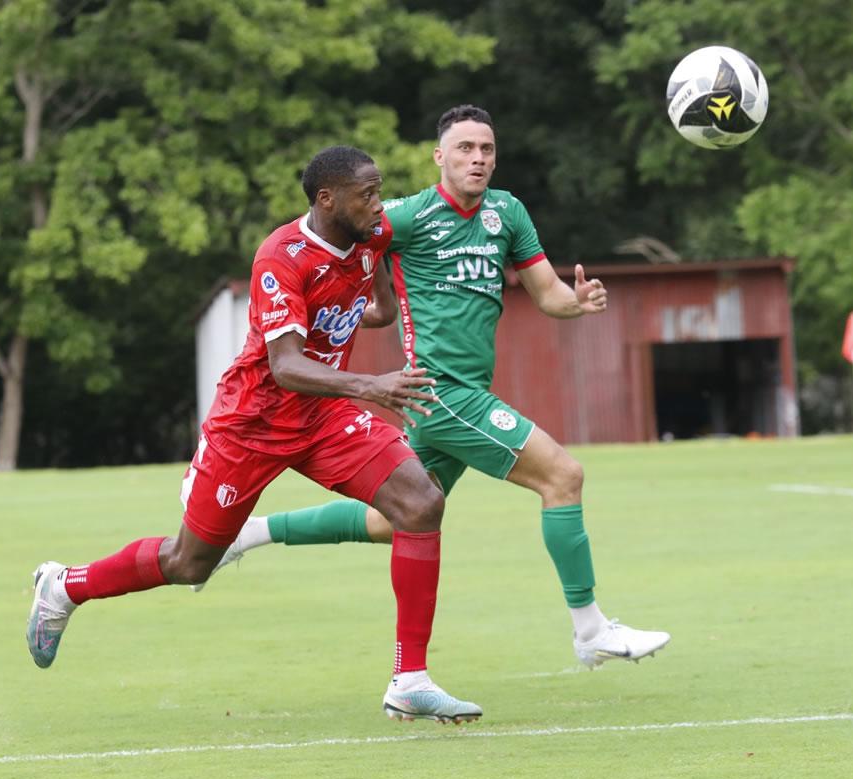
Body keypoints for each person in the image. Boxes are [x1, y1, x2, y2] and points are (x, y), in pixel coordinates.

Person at [196, 106, 671, 669]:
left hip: (458, 393)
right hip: (441, 392)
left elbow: (547, 295)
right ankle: (590, 630)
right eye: (465, 148)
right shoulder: (407, 216)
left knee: (388, 519)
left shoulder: (507, 212)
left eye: (487, 150)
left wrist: (580, 303)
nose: (478, 159)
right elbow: (342, 239)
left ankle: (249, 535)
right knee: (564, 476)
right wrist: (353, 308)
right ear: (439, 157)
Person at [26, 145, 482, 725]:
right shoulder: (280, 257)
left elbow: (378, 309)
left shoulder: (372, 231)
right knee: (191, 562)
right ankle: (66, 586)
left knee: (420, 503)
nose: (377, 202)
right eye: (366, 193)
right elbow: (287, 365)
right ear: (327, 199)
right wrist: (372, 384)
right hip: (253, 423)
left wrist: (378, 276)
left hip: (324, 414)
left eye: (378, 190)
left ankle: (410, 678)